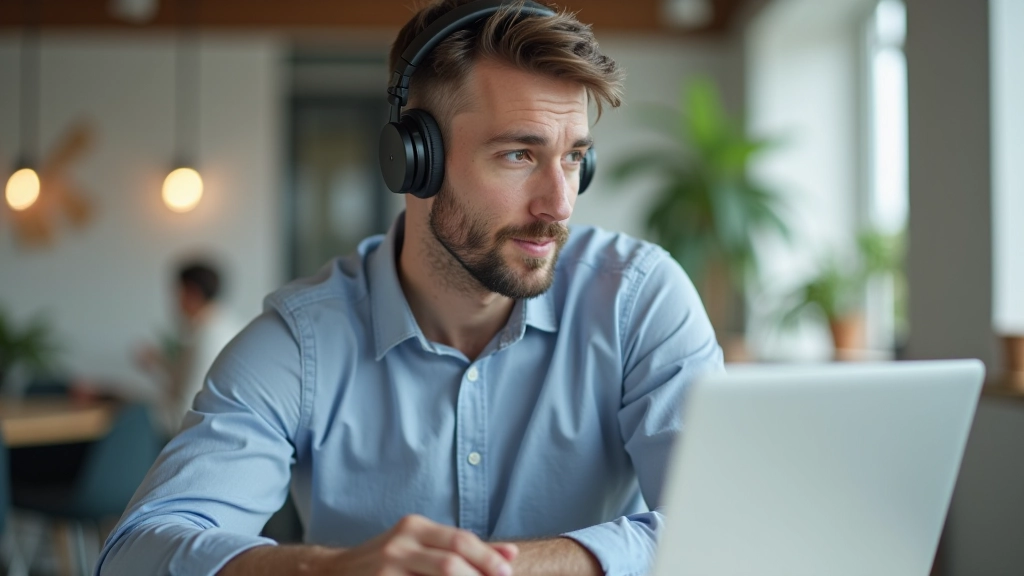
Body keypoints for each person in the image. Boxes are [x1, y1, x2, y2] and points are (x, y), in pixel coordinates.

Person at [98, 1, 723, 574]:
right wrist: (327, 570)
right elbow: (139, 550)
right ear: (412, 159)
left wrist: (518, 568)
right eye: (518, 155)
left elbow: (733, 525)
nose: (558, 204)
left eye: (572, 158)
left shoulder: (638, 298)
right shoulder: (302, 341)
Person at [135, 259, 244, 435]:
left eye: (178, 293)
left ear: (192, 292)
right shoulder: (223, 326)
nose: (175, 302)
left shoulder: (207, 336)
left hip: (200, 438)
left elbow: (186, 414)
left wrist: (137, 409)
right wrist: (159, 363)